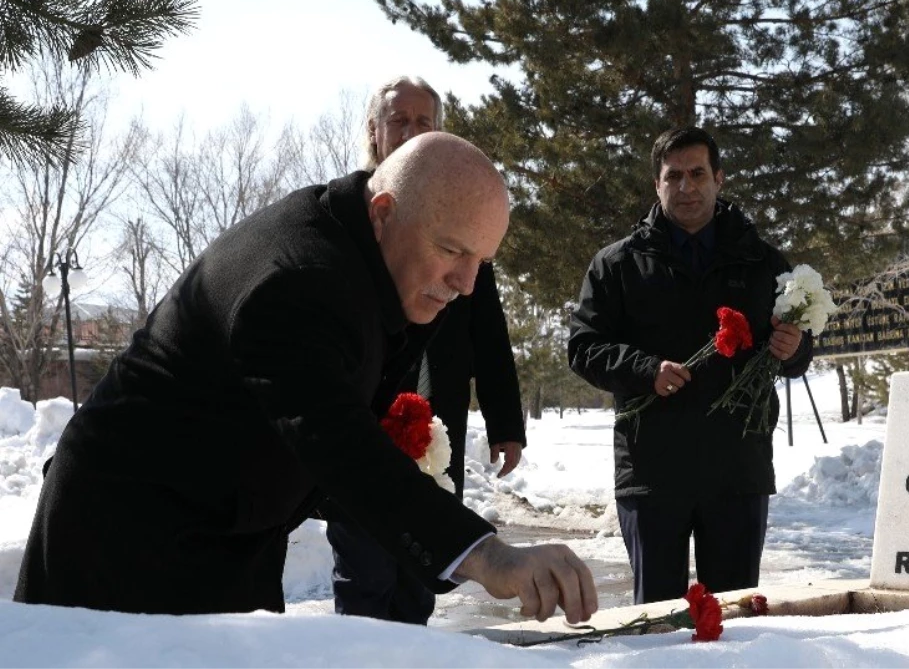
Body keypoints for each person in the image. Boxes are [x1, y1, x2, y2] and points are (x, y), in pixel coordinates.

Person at [15, 132, 596, 626]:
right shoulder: (301, 280)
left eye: (481, 261)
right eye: (451, 251)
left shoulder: (375, 261)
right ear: (385, 210)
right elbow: (338, 443)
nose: (466, 283)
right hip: (128, 542)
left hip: (227, 532)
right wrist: (489, 557)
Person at [567, 126, 812, 604]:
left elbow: (798, 351)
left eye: (697, 173)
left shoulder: (761, 262)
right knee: (656, 629)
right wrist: (644, 370)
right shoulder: (616, 265)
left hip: (736, 471)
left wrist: (795, 347)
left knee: (737, 624)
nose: (686, 187)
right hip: (653, 471)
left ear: (719, 179)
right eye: (673, 176)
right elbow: (583, 346)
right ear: (656, 185)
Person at [325, 76, 526, 626]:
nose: (412, 130)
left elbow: (488, 329)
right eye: (400, 120)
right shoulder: (346, 216)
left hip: (435, 423)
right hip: (361, 421)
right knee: (364, 570)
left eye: (424, 122)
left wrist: (507, 421)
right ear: (374, 131)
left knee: (420, 575)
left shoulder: (460, 215)